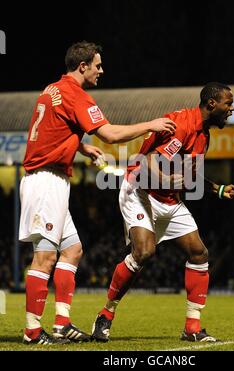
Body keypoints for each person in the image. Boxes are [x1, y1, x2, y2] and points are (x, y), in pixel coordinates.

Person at [19, 41, 176, 345]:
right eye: (98, 65)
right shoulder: (76, 94)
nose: (101, 71)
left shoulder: (51, 89)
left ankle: (62, 325)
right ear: (83, 66)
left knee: (73, 250)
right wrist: (151, 126)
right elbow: (111, 134)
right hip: (45, 181)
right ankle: (32, 331)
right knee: (44, 258)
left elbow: (51, 129)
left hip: (52, 180)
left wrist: (81, 147)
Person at [91, 82, 234, 343]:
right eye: (228, 103)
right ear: (212, 104)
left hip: (168, 201)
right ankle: (106, 314)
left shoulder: (203, 136)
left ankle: (192, 328)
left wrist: (216, 189)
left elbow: (189, 175)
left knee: (199, 253)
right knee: (143, 253)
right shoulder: (181, 125)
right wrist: (170, 182)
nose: (232, 108)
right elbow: (147, 161)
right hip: (139, 192)